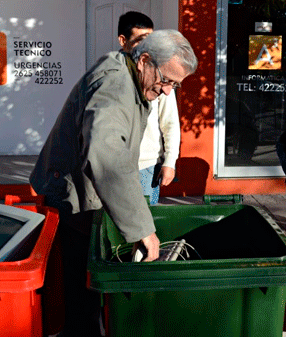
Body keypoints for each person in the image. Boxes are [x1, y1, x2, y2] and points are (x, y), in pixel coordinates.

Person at [30, 30, 197, 337]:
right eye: (166, 80)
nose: (168, 92)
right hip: (73, 194)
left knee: (87, 279)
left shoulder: (131, 75)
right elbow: (106, 154)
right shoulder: (116, 85)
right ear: (144, 60)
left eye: (175, 85)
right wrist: (143, 230)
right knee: (83, 281)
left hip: (84, 189)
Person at [117, 11, 181, 205]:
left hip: (147, 166)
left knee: (146, 224)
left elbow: (170, 121)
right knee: (114, 226)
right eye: (141, 39)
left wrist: (170, 161)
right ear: (123, 40)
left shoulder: (159, 71)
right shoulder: (108, 73)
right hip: (113, 167)